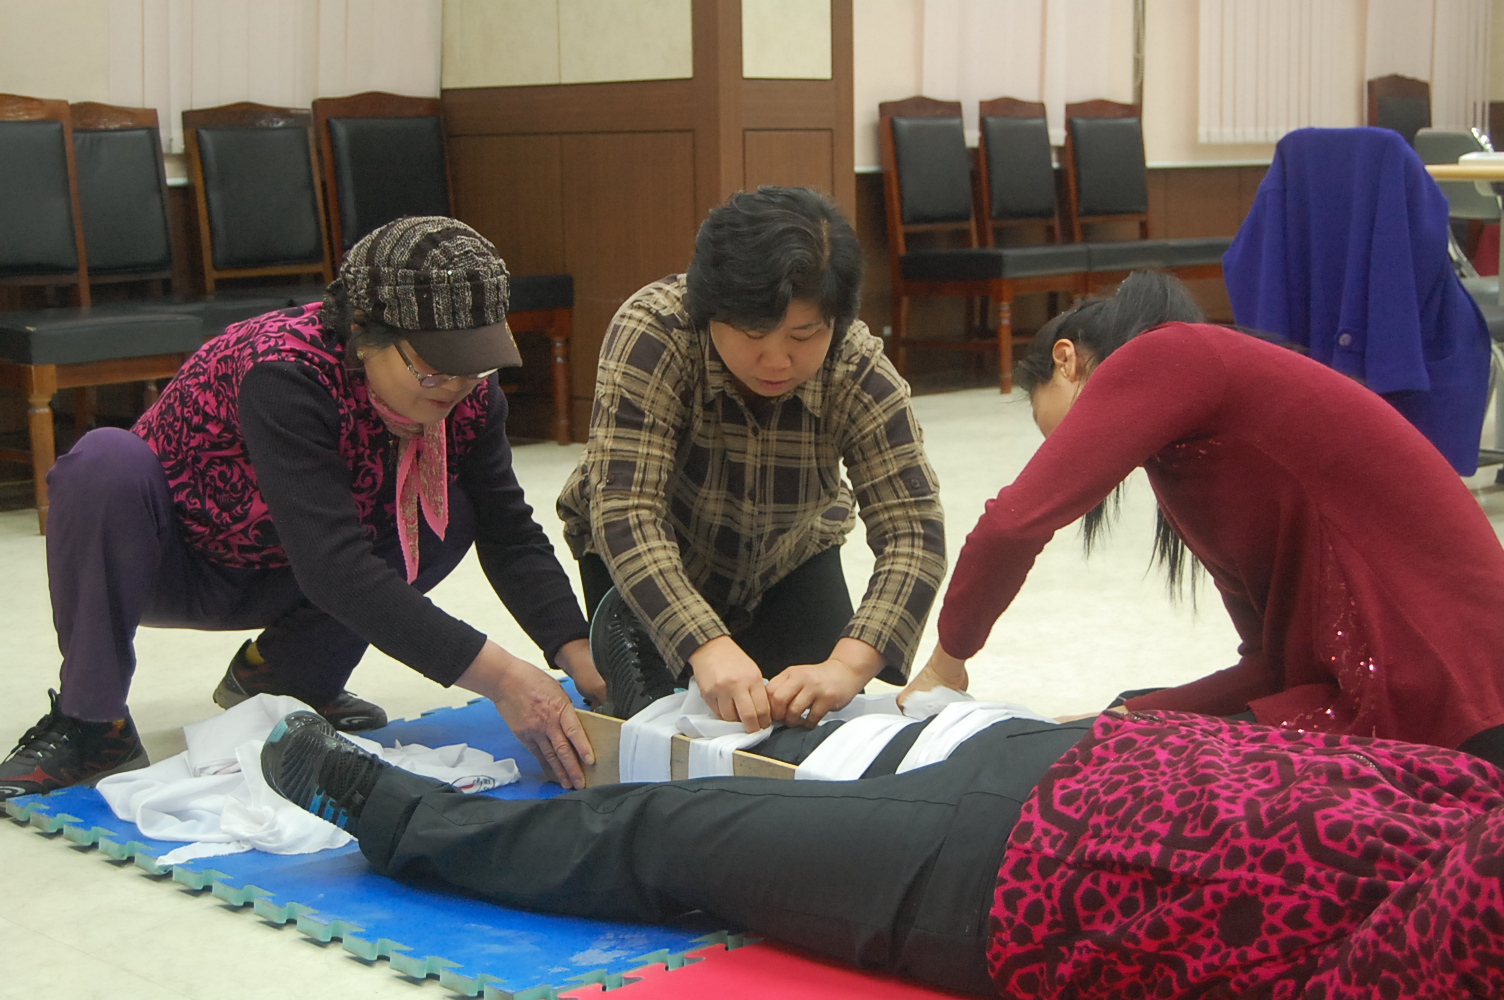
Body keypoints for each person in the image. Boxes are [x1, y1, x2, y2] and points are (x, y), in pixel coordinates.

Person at [260, 705, 1504, 998]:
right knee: (812, 744)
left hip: (1029, 866)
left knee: (674, 831)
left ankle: (397, 816)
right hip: (1095, 757)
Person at [0, 217, 605, 800]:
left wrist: (580, 653)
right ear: (364, 330)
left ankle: (278, 677)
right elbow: (334, 567)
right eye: (431, 368)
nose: (454, 385)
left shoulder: (471, 395)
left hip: (295, 570)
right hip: (179, 562)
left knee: (453, 510)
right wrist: (503, 678)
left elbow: (509, 531)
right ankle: (92, 723)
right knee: (103, 462)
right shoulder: (285, 370)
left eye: (473, 364)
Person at [902, 270, 1504, 766]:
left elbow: (1013, 524)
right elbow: (1268, 665)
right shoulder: (1188, 450)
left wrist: (945, 665)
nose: (1057, 451)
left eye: (1047, 426)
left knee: (1117, 777)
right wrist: (1126, 716)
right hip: (1433, 687)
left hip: (1443, 692)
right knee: (1112, 737)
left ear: (1066, 360)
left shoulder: (1168, 353)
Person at [557, 186, 946, 730]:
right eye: (753, 333)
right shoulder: (655, 332)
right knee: (658, 731)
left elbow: (913, 530)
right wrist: (705, 644)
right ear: (708, 309)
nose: (777, 360)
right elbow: (626, 510)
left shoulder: (856, 366)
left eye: (803, 335)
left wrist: (847, 666)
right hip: (653, 555)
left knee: (817, 725)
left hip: (789, 557)